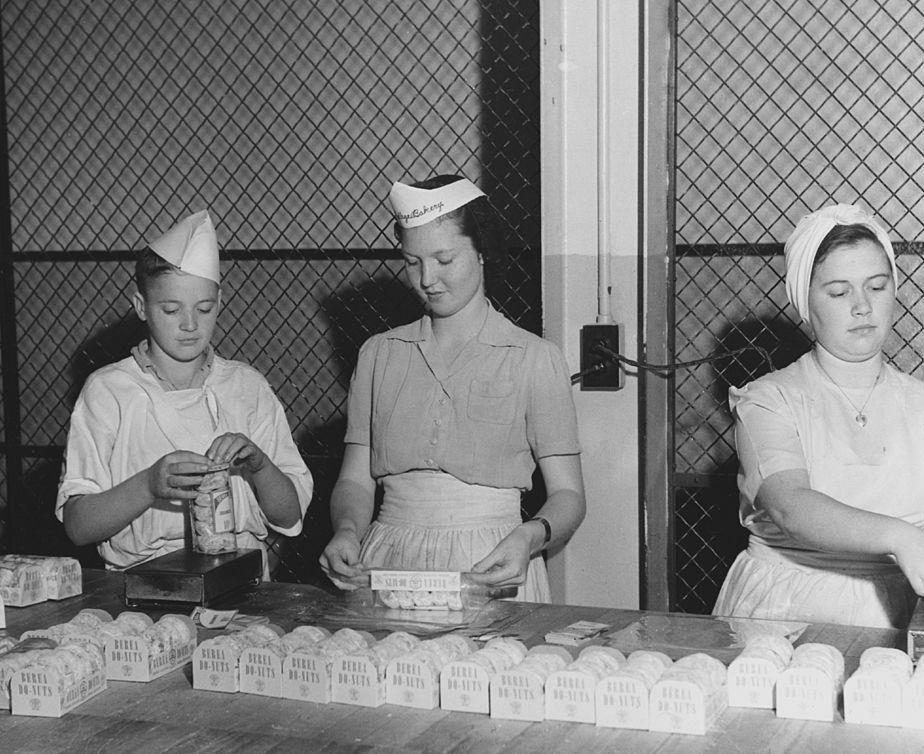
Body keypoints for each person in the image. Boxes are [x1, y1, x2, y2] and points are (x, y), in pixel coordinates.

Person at [713, 203, 924, 628]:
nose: (862, 306)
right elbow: (790, 507)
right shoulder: (769, 401)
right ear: (805, 301)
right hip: (783, 609)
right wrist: (901, 537)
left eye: (876, 287)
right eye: (839, 292)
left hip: (904, 615)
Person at [318, 175, 585, 601]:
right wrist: (347, 532)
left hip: (489, 564)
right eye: (412, 262)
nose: (427, 279)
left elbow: (569, 495)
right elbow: (355, 480)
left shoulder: (534, 358)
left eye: (445, 259)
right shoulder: (379, 355)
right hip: (388, 563)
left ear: (481, 253)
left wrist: (529, 537)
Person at [57, 210, 313, 573]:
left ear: (219, 302)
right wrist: (148, 485)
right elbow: (78, 526)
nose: (190, 325)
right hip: (145, 584)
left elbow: (289, 517)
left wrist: (260, 465)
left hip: (243, 579)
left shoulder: (246, 387)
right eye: (171, 309)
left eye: (204, 309)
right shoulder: (109, 392)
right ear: (141, 307)